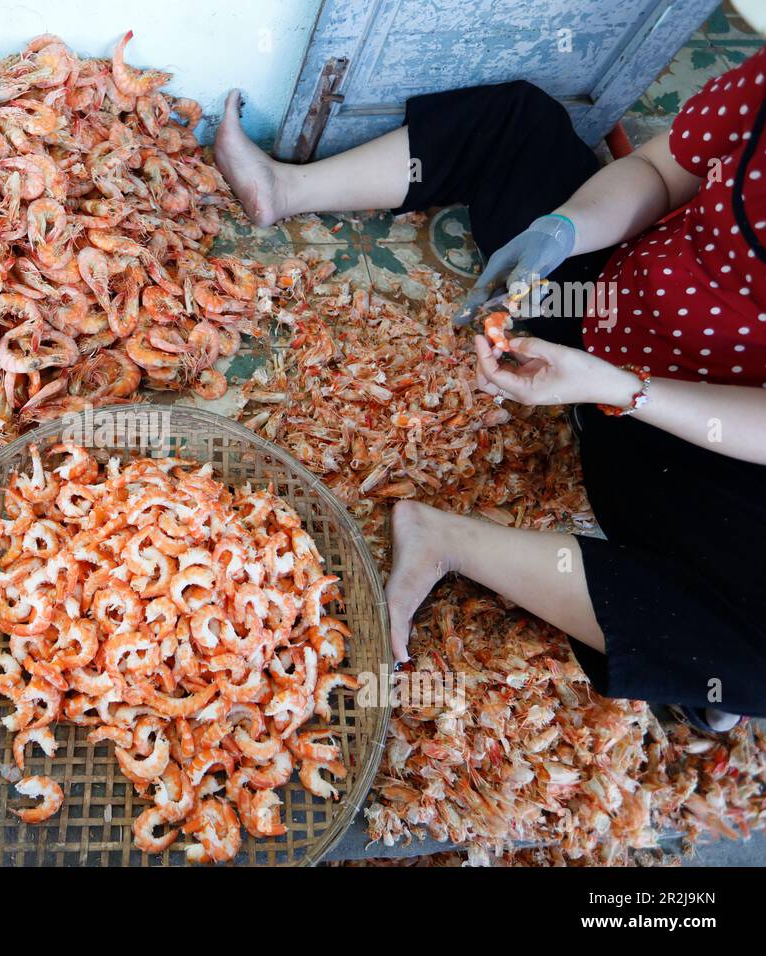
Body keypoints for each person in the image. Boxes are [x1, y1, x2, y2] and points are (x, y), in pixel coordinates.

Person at [213, 15, 766, 732]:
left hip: (692, 442)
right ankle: (285, 188)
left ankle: (446, 540)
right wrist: (562, 230)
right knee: (520, 122)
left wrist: (614, 388)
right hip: (602, 304)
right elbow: (660, 171)